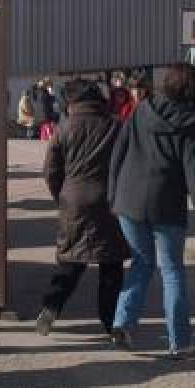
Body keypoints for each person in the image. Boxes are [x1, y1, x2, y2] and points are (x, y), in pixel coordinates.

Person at [108, 62, 195, 359]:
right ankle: (179, 342)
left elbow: (118, 151)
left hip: (128, 200)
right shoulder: (190, 123)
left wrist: (112, 196)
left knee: (141, 263)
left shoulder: (142, 110)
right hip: (166, 204)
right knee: (172, 271)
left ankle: (122, 322)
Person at [35, 80, 129, 336]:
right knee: (111, 265)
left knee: (70, 260)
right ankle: (112, 323)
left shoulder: (64, 129)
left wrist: (62, 195)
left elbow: (50, 171)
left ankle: (51, 308)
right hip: (110, 200)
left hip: (74, 200)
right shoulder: (116, 126)